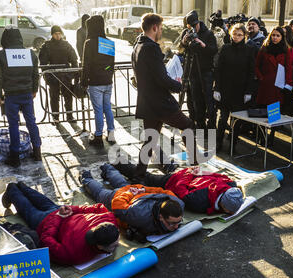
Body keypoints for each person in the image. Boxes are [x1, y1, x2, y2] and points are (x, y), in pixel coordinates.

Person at [131, 13, 202, 178]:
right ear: (154, 28)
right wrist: (179, 85)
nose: (161, 31)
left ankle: (138, 174)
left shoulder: (138, 45)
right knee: (188, 126)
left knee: (150, 139)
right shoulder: (151, 47)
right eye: (161, 28)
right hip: (160, 103)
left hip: (147, 102)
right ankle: (196, 168)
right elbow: (161, 78)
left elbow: (149, 74)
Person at [2, 181, 120, 265]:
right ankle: (13, 189)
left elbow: (98, 208)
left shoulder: (109, 219)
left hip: (58, 215)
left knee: (41, 201)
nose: (118, 244)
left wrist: (67, 211)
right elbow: (46, 238)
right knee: (26, 206)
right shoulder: (74, 255)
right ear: (99, 246)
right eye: (114, 245)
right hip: (48, 220)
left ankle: (21, 187)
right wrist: (70, 210)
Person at [79, 164, 185, 242]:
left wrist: (143, 190)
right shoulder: (138, 215)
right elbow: (116, 205)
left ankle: (107, 167)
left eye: (178, 222)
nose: (176, 227)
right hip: (122, 197)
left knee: (121, 183)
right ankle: (86, 178)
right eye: (171, 223)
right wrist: (130, 192)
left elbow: (162, 191)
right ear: (161, 216)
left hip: (137, 193)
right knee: (100, 193)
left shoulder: (179, 203)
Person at [113, 162, 244, 216]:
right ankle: (117, 163)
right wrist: (191, 173)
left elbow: (218, 175)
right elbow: (179, 187)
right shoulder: (198, 201)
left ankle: (162, 158)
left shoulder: (232, 185)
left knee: (165, 172)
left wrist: (197, 172)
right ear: (225, 207)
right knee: (146, 177)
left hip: (190, 177)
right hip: (177, 179)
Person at [0, 26, 42, 168]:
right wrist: (34, 90)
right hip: (27, 94)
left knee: (13, 125)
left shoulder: (2, 55)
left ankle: (15, 157)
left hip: (11, 96)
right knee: (31, 122)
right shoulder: (30, 54)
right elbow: (35, 75)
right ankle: (38, 151)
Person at [214, 23, 256, 152]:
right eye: (234, 34)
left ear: (244, 36)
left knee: (236, 120)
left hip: (240, 91)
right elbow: (218, 69)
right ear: (231, 34)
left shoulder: (249, 50)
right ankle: (218, 143)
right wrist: (217, 88)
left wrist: (248, 91)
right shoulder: (225, 48)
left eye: (240, 35)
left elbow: (251, 72)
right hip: (225, 89)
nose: (237, 37)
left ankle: (233, 143)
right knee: (222, 119)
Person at [81, 15, 116, 148]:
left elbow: (86, 65)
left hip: (95, 82)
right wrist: (106, 72)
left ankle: (98, 135)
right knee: (107, 108)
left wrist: (84, 82)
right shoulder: (108, 42)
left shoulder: (89, 42)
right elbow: (110, 64)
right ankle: (111, 133)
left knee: (98, 110)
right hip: (108, 81)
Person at [181, 10, 218, 130]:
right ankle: (200, 126)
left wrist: (203, 45)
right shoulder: (185, 33)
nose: (193, 28)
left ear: (198, 23)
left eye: (195, 25)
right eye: (190, 26)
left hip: (206, 72)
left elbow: (214, 50)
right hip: (192, 72)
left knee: (208, 100)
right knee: (196, 101)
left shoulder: (208, 34)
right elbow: (180, 50)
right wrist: (184, 41)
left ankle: (211, 126)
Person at [39, 25, 78, 124]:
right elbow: (43, 62)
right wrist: (47, 75)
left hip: (66, 75)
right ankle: (55, 117)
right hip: (53, 75)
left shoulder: (66, 44)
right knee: (54, 97)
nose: (58, 36)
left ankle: (69, 115)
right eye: (56, 34)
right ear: (52, 34)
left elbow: (74, 59)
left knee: (68, 96)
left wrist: (72, 73)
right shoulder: (47, 45)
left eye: (59, 34)